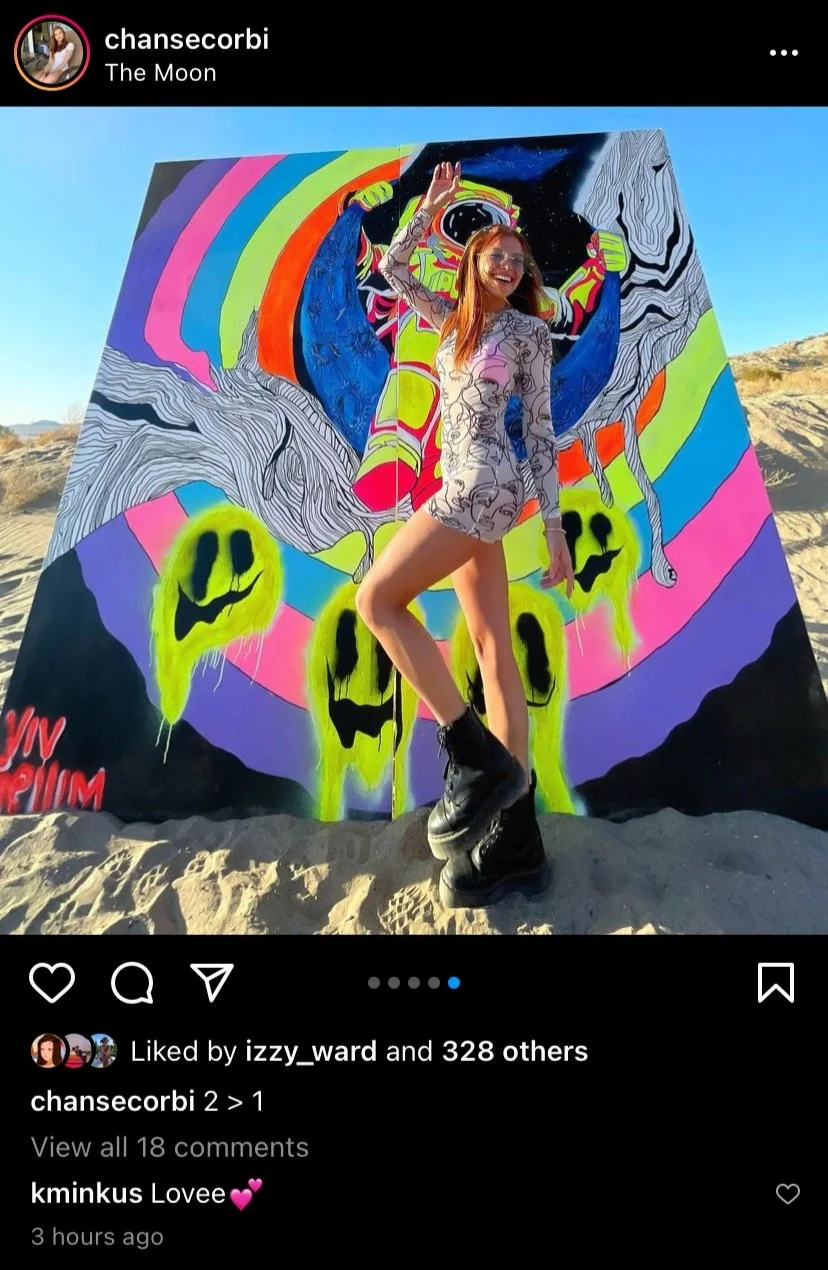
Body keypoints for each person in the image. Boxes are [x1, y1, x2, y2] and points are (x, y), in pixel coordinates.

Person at [354, 162, 575, 909]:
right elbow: (393, 266)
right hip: (466, 488)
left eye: (518, 260)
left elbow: (539, 432)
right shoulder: (449, 321)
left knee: (377, 601)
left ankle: (472, 755)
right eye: (497, 256)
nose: (510, 266)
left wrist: (554, 527)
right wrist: (433, 205)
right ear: (473, 263)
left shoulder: (528, 333)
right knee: (491, 649)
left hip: (481, 490)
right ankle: (518, 837)